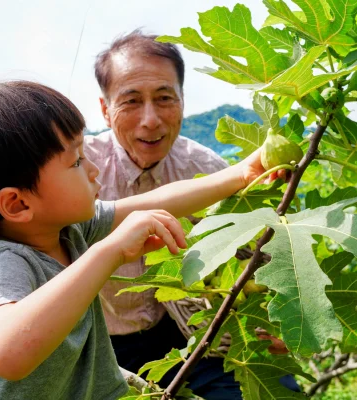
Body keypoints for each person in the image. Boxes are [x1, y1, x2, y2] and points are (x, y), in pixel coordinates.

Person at [0, 81, 268, 399]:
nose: (93, 168)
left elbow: (156, 200)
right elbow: (8, 354)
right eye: (76, 161)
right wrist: (109, 252)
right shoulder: (2, 261)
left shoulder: (66, 229)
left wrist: (240, 174)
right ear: (18, 204)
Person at [84, 31, 242, 398]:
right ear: (105, 109)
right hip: (96, 344)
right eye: (131, 101)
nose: (151, 120)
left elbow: (251, 254)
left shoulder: (208, 171)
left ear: (182, 101)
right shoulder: (78, 171)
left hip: (187, 337)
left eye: (164, 98)